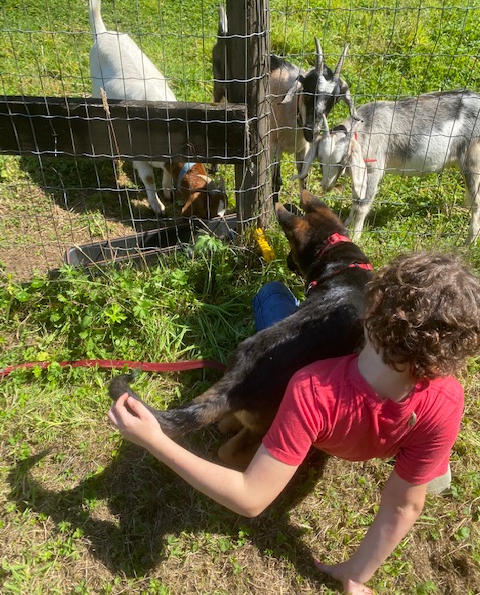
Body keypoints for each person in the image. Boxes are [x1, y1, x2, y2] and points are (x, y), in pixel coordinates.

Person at [108, 251, 480, 595]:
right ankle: (435, 464)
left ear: (368, 311)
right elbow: (403, 506)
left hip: (313, 404)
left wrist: (155, 441)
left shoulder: (313, 389)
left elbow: (250, 498)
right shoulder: (446, 401)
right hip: (371, 434)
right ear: (449, 358)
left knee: (272, 295)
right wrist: (356, 574)